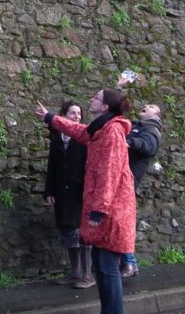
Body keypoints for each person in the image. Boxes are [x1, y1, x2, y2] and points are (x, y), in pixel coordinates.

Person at [35, 88, 135, 314]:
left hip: (111, 211)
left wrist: (99, 210)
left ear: (105, 106)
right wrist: (51, 117)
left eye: (96, 97)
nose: (92, 99)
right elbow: (79, 131)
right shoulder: (101, 128)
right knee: (102, 266)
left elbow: (110, 172)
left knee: (107, 267)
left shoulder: (112, 133)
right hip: (106, 208)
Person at [42, 101, 94, 288]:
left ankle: (87, 275)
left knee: (82, 234)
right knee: (68, 232)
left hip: (80, 193)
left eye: (79, 114)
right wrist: (49, 191)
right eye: (73, 113)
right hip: (62, 193)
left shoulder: (83, 139)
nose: (77, 117)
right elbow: (52, 168)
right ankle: (75, 272)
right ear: (63, 116)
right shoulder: (57, 140)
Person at [119, 103, 162, 278]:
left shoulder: (152, 131)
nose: (145, 106)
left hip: (128, 182)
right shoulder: (137, 126)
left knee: (121, 222)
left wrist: (129, 142)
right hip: (121, 178)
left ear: (156, 116)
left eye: (151, 106)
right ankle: (127, 262)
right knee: (118, 221)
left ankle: (129, 263)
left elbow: (148, 147)